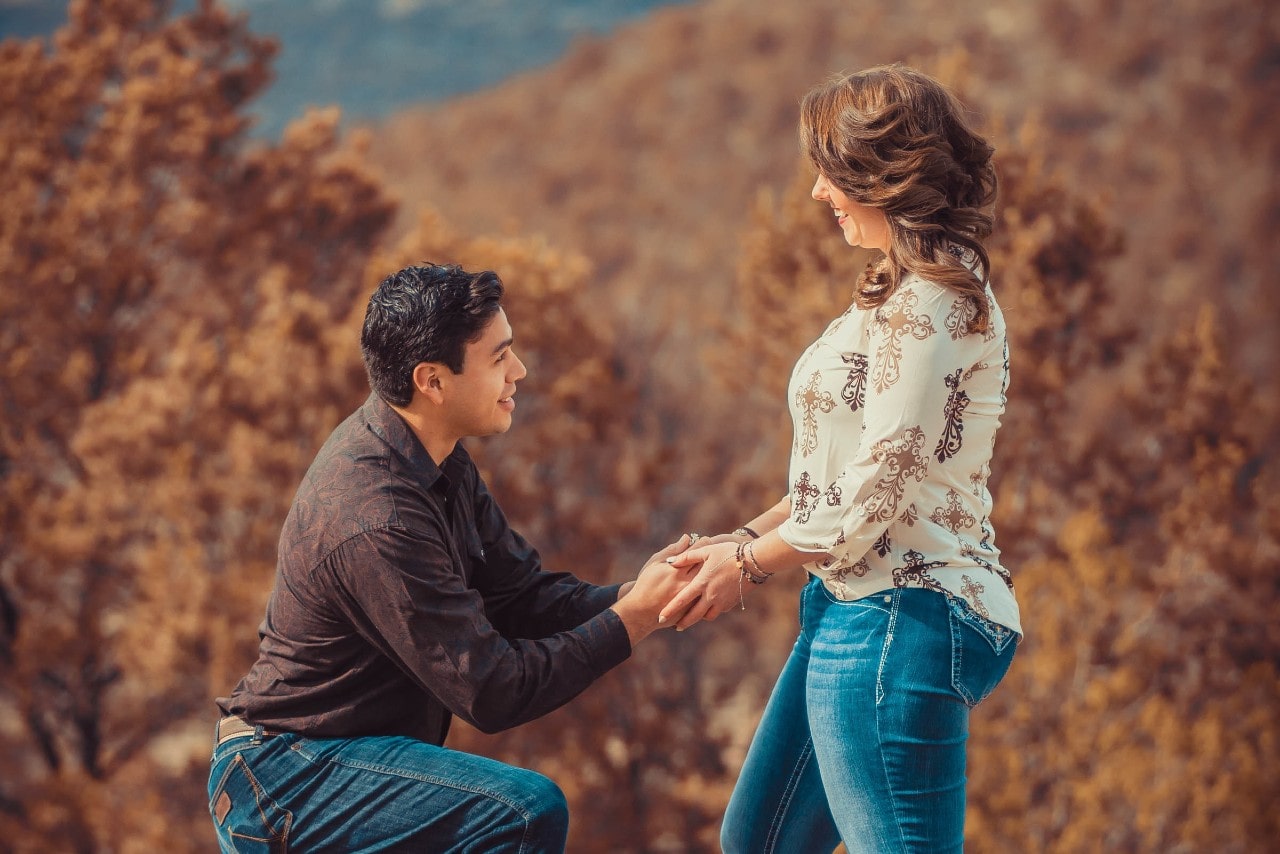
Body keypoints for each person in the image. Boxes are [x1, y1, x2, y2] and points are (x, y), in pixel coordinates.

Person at [661, 65, 1023, 853]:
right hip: (851, 606)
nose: (818, 194)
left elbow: (874, 496)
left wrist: (750, 565)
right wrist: (738, 538)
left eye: (831, 173)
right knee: (757, 842)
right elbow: (839, 476)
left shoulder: (937, 306)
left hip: (904, 611)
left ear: (882, 174)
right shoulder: (895, 299)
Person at [209, 263, 691, 853]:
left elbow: (520, 599)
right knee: (522, 812)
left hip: (328, 762)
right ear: (432, 381)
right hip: (286, 778)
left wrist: (640, 592)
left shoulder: (437, 461)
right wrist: (633, 621)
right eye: (498, 358)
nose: (520, 372)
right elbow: (492, 691)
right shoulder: (376, 514)